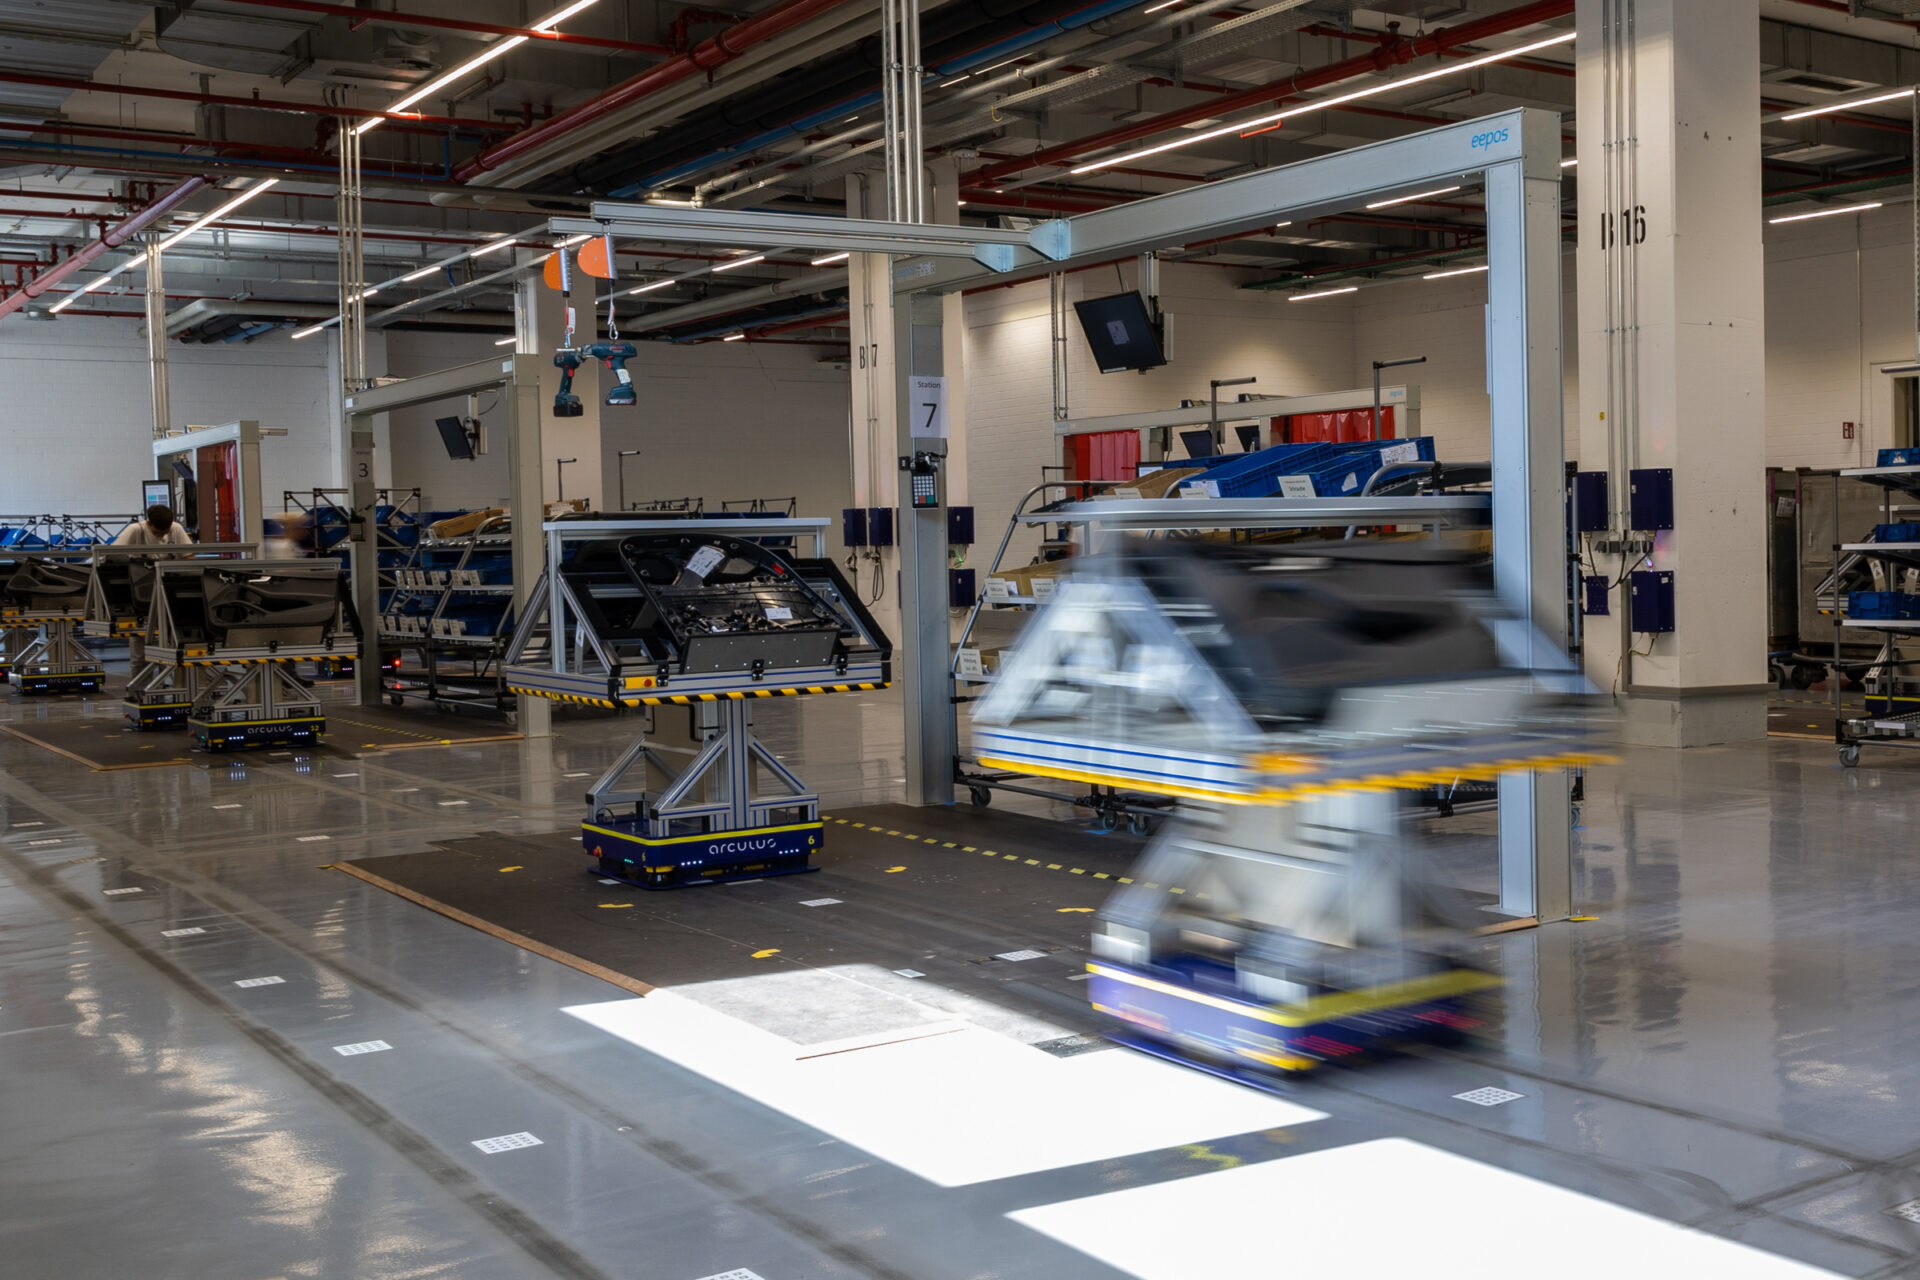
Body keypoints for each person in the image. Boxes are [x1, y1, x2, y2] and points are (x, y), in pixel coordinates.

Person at [113, 504, 193, 548]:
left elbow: (189, 555)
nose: (161, 536)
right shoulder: (135, 529)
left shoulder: (176, 528)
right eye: (157, 533)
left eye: (165, 533)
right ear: (148, 523)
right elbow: (113, 553)